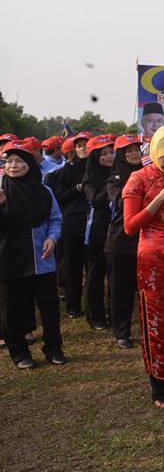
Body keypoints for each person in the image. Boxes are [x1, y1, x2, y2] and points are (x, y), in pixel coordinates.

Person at [123, 125, 164, 408]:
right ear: (156, 153)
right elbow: (129, 226)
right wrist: (158, 201)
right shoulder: (139, 179)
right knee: (157, 321)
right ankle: (160, 386)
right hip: (154, 262)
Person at [0, 141, 66, 369]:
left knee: (49, 306)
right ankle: (19, 352)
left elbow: (55, 219)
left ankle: (54, 348)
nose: (13, 166)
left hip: (41, 258)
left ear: (29, 163)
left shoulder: (44, 191)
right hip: (10, 258)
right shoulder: (2, 191)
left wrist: (52, 238)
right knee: (12, 308)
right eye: (9, 161)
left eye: (19, 161)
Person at [104, 135, 143, 349]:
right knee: (121, 291)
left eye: (136, 149)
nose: (134, 154)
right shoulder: (114, 180)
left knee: (145, 290)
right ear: (120, 155)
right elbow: (120, 203)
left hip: (145, 241)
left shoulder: (149, 172)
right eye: (128, 151)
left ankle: (148, 328)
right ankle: (122, 331)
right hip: (120, 243)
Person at [48, 132, 91, 317]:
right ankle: (73, 305)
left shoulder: (101, 167)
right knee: (73, 267)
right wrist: (78, 188)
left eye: (86, 144)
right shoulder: (65, 171)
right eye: (79, 145)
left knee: (94, 270)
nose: (83, 149)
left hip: (96, 226)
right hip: (73, 225)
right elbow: (59, 196)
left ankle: (94, 308)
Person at [82, 134, 116, 330]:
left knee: (114, 276)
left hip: (116, 231)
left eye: (111, 152)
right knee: (96, 275)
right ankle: (95, 316)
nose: (109, 157)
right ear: (95, 157)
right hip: (96, 233)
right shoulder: (88, 180)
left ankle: (114, 314)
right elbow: (96, 201)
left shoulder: (119, 173)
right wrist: (110, 183)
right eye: (104, 154)